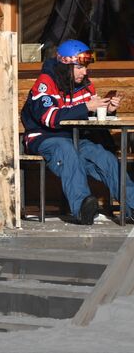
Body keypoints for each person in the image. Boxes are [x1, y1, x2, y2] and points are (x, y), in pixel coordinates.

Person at [21, 40, 134, 224]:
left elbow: (87, 112)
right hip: (45, 137)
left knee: (104, 157)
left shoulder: (85, 85)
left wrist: (107, 109)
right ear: (66, 65)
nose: (85, 71)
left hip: (75, 138)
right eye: (80, 67)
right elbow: (49, 118)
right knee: (66, 152)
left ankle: (133, 205)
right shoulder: (45, 83)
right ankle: (83, 207)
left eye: (86, 67)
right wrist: (86, 106)